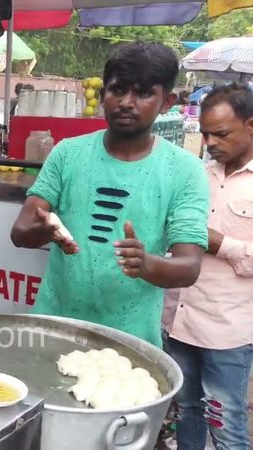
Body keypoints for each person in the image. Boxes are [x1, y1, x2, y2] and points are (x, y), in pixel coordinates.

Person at [9, 43, 210, 347]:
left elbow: (189, 266)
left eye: (143, 93)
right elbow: (20, 232)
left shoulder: (185, 171)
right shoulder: (67, 153)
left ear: (166, 101)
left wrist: (147, 264)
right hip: (53, 331)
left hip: (128, 346)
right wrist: (44, 231)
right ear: (103, 95)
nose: (126, 103)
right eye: (117, 90)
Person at [163, 84, 253, 450]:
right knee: (186, 412)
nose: (211, 142)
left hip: (226, 331)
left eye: (221, 133)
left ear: (251, 126)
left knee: (225, 420)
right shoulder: (196, 176)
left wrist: (220, 244)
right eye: (205, 133)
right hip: (179, 319)